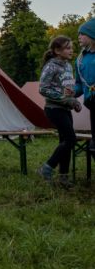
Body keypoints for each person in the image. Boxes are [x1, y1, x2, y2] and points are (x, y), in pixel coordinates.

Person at [38, 36, 82, 187]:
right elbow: (43, 89)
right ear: (57, 50)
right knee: (70, 139)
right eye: (68, 48)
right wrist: (65, 99)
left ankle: (63, 177)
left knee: (65, 142)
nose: (71, 50)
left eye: (72, 47)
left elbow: (68, 89)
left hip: (65, 108)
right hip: (54, 109)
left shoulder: (68, 66)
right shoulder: (51, 66)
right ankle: (47, 167)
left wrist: (74, 100)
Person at [75, 18, 95, 152]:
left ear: (92, 34)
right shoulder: (81, 59)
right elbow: (80, 84)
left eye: (82, 34)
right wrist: (71, 92)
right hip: (92, 104)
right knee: (93, 147)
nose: (79, 37)